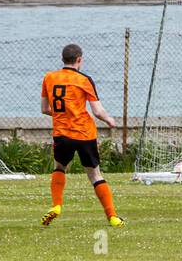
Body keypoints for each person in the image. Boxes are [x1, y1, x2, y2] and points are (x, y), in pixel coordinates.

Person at [41, 43, 122, 227]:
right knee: (95, 175)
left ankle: (57, 206)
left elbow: (45, 109)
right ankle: (113, 217)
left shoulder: (49, 78)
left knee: (59, 168)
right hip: (85, 134)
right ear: (79, 60)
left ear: (63, 59)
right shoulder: (84, 79)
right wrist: (109, 120)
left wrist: (63, 115)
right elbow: (97, 111)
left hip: (62, 134)